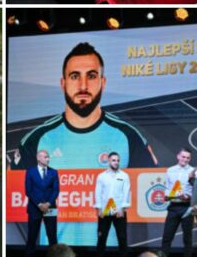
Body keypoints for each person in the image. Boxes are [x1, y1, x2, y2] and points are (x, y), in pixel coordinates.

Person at [12, 42, 157, 170]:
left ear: (103, 82)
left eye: (91, 76)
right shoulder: (35, 140)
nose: (83, 85)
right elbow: (13, 195)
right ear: (63, 84)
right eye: (75, 76)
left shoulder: (129, 136)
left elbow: (150, 193)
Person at [94, 152, 131, 257]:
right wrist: (99, 209)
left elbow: (126, 193)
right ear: (108, 161)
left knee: (122, 238)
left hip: (119, 211)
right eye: (114, 160)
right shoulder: (101, 176)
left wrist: (122, 209)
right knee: (101, 237)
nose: (116, 162)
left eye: (118, 160)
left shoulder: (124, 176)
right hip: (105, 212)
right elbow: (98, 193)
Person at [25, 149, 60, 257]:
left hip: (50, 208)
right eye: (45, 157)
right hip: (34, 208)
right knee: (32, 235)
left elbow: (56, 190)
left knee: (52, 235)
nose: (48, 159)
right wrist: (39, 204)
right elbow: (28, 190)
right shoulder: (30, 172)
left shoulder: (53, 172)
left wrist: (48, 204)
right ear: (38, 158)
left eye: (48, 157)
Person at [161, 148, 195, 257]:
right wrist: (166, 195)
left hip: (187, 207)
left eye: (188, 157)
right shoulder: (170, 170)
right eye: (183, 157)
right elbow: (167, 187)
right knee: (167, 237)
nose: (185, 159)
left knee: (187, 238)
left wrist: (188, 196)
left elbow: (196, 190)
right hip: (173, 207)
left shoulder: (193, 171)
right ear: (178, 156)